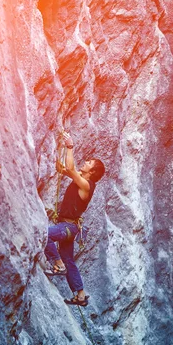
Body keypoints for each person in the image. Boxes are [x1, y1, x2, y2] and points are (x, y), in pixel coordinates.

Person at [44, 131, 105, 307]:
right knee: (69, 260)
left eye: (88, 163)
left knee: (45, 235)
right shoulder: (80, 180)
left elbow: (70, 169)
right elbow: (64, 169)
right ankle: (80, 295)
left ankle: (57, 264)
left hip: (67, 228)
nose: (85, 163)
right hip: (70, 228)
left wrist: (70, 146)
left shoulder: (87, 185)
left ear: (91, 171)